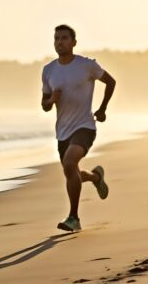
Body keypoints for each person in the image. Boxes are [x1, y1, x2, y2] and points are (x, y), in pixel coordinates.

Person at [41, 24, 116, 232]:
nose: (60, 42)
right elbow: (44, 105)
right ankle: (95, 177)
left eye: (64, 38)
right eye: (57, 38)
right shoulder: (49, 71)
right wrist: (51, 100)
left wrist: (102, 109)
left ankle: (74, 218)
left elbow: (111, 82)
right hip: (62, 131)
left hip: (85, 126)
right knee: (71, 172)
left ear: (74, 42)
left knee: (69, 163)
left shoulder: (86, 65)